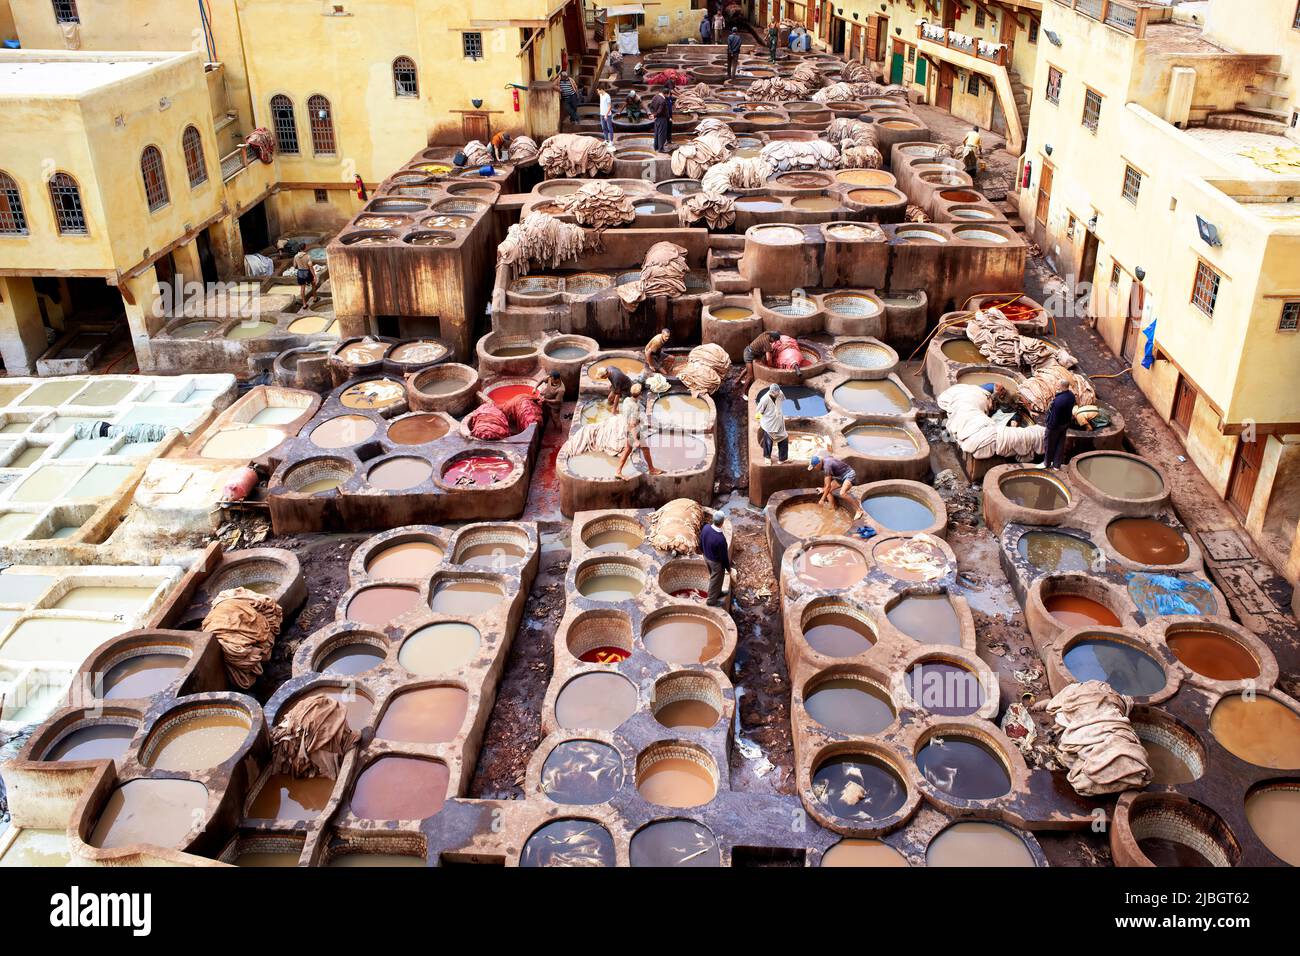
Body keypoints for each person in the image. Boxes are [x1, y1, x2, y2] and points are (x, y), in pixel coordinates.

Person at [617, 384, 662, 477]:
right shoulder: (635, 406)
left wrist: (643, 422)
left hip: (625, 428)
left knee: (627, 450)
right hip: (634, 431)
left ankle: (618, 471)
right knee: (646, 449)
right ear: (640, 393)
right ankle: (652, 469)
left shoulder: (626, 400)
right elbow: (632, 424)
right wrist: (636, 440)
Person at [809, 454, 865, 519]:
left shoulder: (827, 467)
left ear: (818, 464)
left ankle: (859, 510)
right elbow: (827, 484)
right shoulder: (825, 460)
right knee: (828, 491)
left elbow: (828, 486)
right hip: (840, 477)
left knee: (842, 493)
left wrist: (822, 500)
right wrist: (823, 489)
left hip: (849, 475)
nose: (814, 469)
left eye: (814, 467)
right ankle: (833, 508)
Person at [699, 511, 734, 608]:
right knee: (715, 580)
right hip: (715, 562)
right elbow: (724, 556)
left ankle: (718, 593)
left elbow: (700, 541)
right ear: (722, 523)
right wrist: (728, 567)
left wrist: (703, 551)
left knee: (717, 578)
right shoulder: (720, 539)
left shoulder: (706, 528)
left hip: (706, 557)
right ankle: (711, 600)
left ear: (713, 520)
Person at [1041, 386, 1076, 470]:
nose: (1056, 386)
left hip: (1055, 426)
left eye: (1058, 385)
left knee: (1049, 444)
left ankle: (1047, 463)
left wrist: (1049, 427)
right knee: (1060, 444)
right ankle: (1056, 465)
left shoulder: (1058, 401)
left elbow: (1054, 416)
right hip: (1065, 423)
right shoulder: (1071, 395)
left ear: (1061, 386)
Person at [755, 384, 789, 464]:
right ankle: (767, 457)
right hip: (769, 423)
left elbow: (782, 400)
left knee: (784, 438)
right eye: (776, 393)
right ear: (771, 392)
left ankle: (782, 458)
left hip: (779, 421)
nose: (778, 394)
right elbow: (759, 411)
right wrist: (760, 416)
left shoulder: (780, 393)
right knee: (768, 441)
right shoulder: (764, 399)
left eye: (778, 392)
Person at [650, 81, 675, 153]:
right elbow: (661, 111)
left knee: (657, 133)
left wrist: (653, 114)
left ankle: (656, 147)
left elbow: (651, 107)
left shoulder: (655, 97)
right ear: (666, 94)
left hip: (657, 119)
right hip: (662, 119)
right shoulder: (663, 101)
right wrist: (668, 117)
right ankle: (661, 149)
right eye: (669, 94)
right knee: (662, 134)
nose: (669, 96)